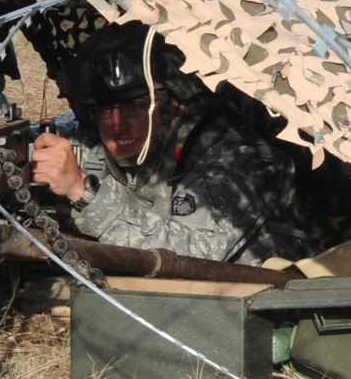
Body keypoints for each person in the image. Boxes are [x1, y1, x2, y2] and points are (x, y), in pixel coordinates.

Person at [31, 20, 320, 265]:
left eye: (136, 106)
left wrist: (83, 192)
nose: (117, 124)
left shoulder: (239, 157)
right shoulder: (111, 138)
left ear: (170, 105)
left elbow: (197, 257)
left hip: (267, 312)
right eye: (105, 110)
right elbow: (74, 142)